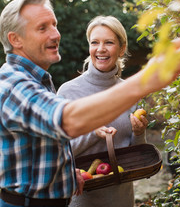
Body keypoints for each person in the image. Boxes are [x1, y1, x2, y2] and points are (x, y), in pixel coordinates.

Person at [0, 0, 180, 207]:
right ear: (15, 39)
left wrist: (65, 173)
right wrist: (144, 81)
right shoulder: (14, 86)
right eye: (42, 28)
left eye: (54, 24)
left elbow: (42, 149)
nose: (56, 34)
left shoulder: (35, 81)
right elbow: (68, 121)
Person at [57, 15, 148, 207]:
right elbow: (58, 151)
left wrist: (139, 133)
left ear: (122, 48)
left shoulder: (130, 92)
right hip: (81, 199)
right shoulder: (68, 92)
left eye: (109, 42)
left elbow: (134, 156)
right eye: (95, 42)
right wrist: (93, 133)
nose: (101, 49)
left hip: (121, 198)